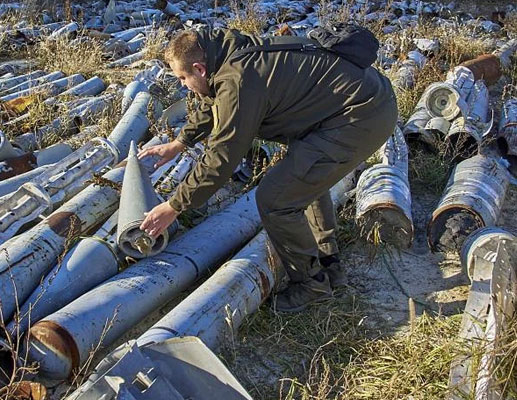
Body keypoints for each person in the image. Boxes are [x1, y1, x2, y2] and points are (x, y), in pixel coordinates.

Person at [137, 28, 398, 312]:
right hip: (358, 104)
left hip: (360, 116)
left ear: (199, 68)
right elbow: (212, 99)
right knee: (301, 181)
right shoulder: (224, 53)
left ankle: (311, 285)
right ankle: (327, 260)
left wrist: (174, 206)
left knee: (276, 199)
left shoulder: (237, 80)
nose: (184, 85)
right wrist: (179, 142)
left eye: (183, 78)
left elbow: (222, 156)